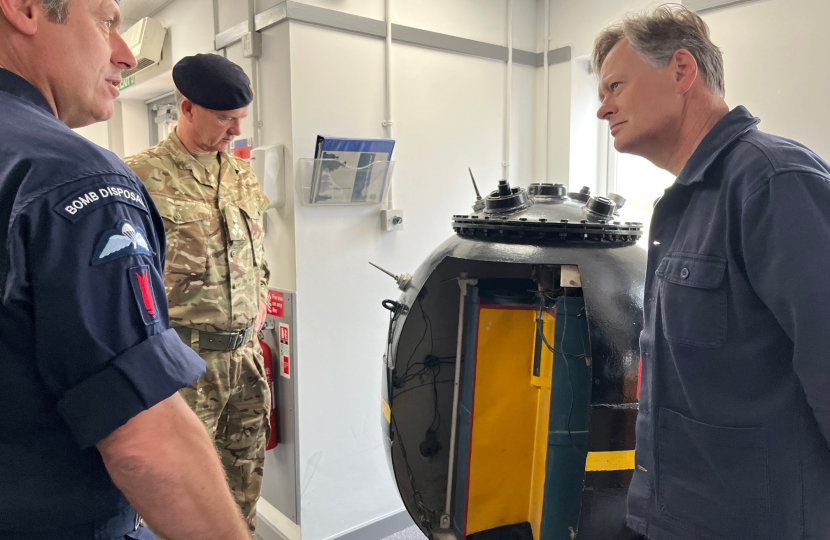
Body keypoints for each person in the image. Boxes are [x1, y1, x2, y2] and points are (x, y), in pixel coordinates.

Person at [0, 1, 253, 539]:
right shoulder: (80, 176)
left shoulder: (241, 178)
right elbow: (146, 443)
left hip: (241, 356)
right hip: (164, 381)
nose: (125, 52)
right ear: (24, 9)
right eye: (106, 20)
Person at [592, 5, 830, 540]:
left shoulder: (773, 182)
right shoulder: (683, 202)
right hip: (673, 510)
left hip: (757, 520)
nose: (602, 110)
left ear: (681, 70)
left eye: (615, 87)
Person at [125, 54, 271, 533]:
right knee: (178, 496)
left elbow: (256, 253)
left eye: (240, 120)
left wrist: (260, 301)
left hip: (245, 361)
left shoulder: (242, 173)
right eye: (224, 118)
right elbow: (124, 277)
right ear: (187, 109)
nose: (234, 131)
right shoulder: (138, 176)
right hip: (183, 365)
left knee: (244, 480)